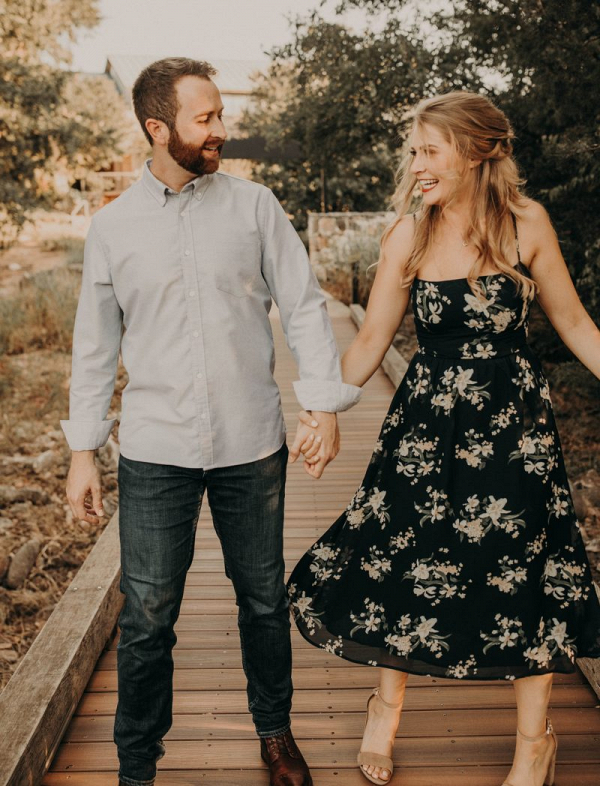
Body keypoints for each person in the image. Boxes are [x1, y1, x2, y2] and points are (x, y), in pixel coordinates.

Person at [61, 57, 361, 786]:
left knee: (262, 598)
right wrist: (81, 451)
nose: (222, 130)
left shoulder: (256, 207)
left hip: (251, 443)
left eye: (221, 114)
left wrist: (320, 402)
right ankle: (138, 763)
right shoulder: (112, 229)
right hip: (155, 450)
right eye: (207, 118)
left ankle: (275, 731)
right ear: (158, 128)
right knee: (148, 620)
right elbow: (95, 347)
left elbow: (304, 305)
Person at [288, 91, 600, 786]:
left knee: (525, 570)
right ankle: (385, 708)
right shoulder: (410, 234)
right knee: (407, 556)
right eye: (414, 150)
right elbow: (370, 340)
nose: (416, 163)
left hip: (516, 433)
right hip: (426, 429)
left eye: (430, 150)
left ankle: (534, 743)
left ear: (478, 150)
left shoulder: (528, 223)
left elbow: (577, 327)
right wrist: (321, 406)